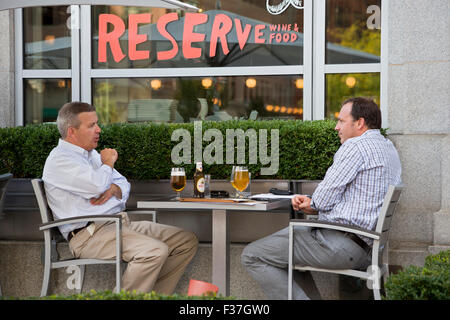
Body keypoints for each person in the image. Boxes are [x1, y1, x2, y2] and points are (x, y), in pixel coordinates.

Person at [241, 97, 402, 300]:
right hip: (368, 248)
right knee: (286, 255)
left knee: (253, 255)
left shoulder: (355, 147)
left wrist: (313, 204)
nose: (336, 127)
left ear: (359, 123)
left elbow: (323, 200)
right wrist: (315, 204)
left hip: (340, 246)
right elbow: (356, 200)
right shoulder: (389, 148)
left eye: (342, 121)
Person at [42, 102, 198, 294]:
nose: (99, 130)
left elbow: (124, 186)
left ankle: (153, 297)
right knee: (153, 251)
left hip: (119, 224)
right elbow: (97, 186)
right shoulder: (60, 160)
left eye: (97, 124)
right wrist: (108, 164)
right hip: (89, 236)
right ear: (71, 131)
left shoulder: (90, 155)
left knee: (184, 241)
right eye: (91, 125)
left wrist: (113, 187)